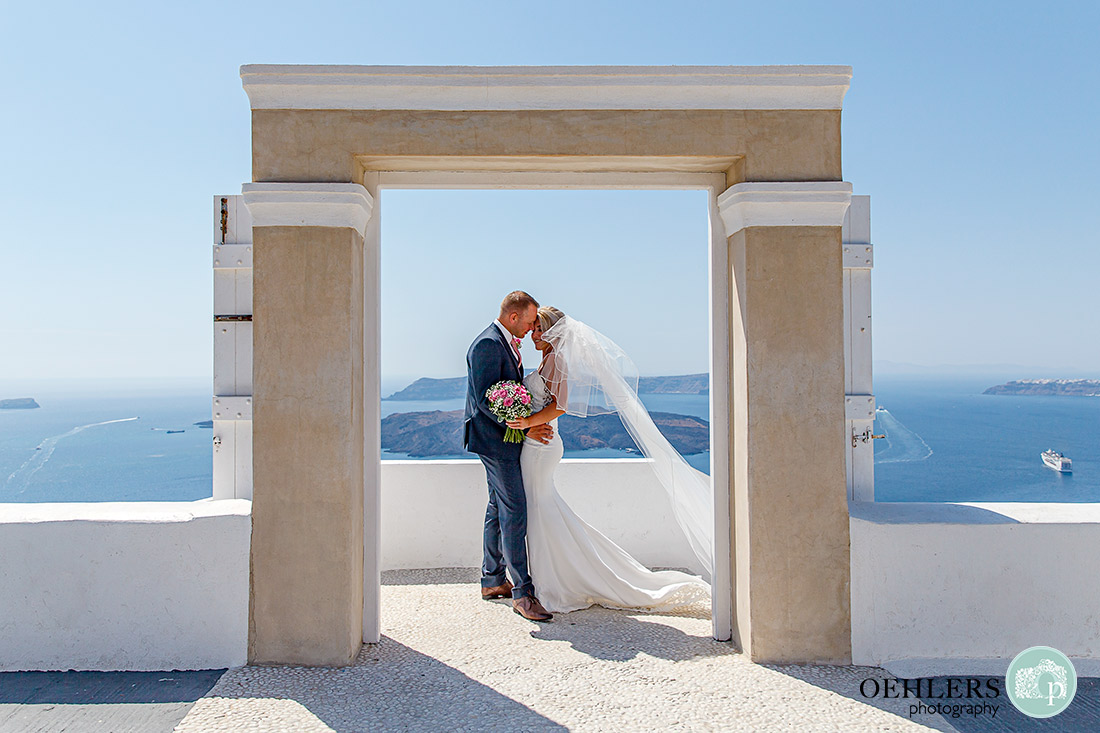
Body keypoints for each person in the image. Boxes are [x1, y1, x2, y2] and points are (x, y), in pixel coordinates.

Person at [505, 306, 711, 613]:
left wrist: (527, 423)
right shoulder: (549, 360)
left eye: (538, 328)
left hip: (542, 446)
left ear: (551, 332)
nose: (533, 333)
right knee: (541, 508)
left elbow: (560, 406)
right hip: (539, 444)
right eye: (533, 328)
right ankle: (553, 577)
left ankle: (556, 584)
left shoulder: (556, 361)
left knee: (538, 507)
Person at [463, 291, 555, 622]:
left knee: (496, 507)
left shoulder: (504, 342)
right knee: (515, 511)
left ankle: (492, 580)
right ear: (513, 317)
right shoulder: (488, 344)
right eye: (530, 321)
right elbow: (487, 400)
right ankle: (522, 594)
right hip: (495, 442)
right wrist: (524, 428)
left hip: (502, 439)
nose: (533, 328)